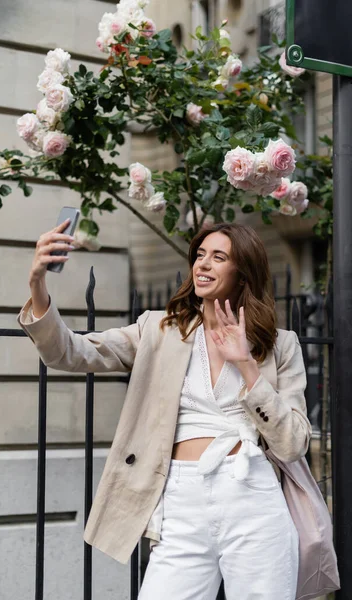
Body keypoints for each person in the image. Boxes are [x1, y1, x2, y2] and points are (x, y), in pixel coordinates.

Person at [17, 220, 312, 600]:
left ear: (243, 274)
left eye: (218, 257)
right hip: (180, 496)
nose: (203, 265)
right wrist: (37, 283)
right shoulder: (159, 329)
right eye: (200, 255)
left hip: (252, 495)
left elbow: (294, 443)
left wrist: (248, 367)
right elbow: (69, 352)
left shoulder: (280, 345)